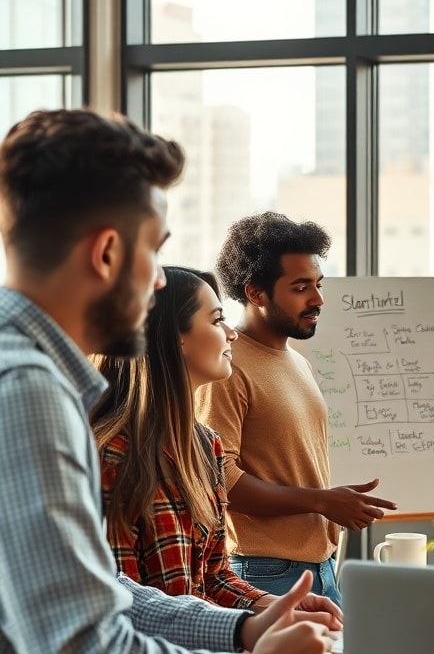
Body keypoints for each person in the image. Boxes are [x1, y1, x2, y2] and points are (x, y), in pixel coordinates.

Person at [0, 109, 334, 654]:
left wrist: (240, 634)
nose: (156, 283)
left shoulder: (31, 378)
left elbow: (101, 592)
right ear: (109, 251)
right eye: (156, 252)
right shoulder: (25, 393)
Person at [92, 266, 343, 624]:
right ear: (174, 337)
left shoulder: (206, 447)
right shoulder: (112, 458)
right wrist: (242, 631)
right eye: (216, 321)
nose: (231, 334)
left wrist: (281, 606)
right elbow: (126, 611)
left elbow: (213, 576)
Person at [196, 212, 397, 605]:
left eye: (318, 285)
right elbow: (219, 479)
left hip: (320, 568)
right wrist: (322, 500)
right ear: (256, 293)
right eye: (301, 287)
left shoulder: (296, 360)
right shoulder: (228, 365)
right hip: (264, 572)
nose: (318, 299)